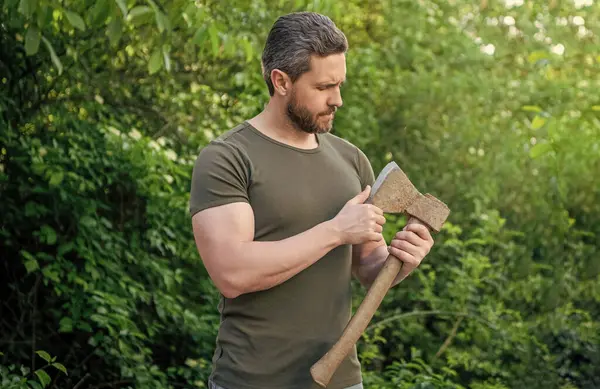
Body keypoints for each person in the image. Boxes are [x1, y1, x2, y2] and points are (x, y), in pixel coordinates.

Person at [189, 11, 434, 389]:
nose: (337, 100)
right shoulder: (228, 157)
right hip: (252, 380)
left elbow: (369, 266)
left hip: (340, 379)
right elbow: (232, 274)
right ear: (281, 81)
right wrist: (335, 231)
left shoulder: (351, 160)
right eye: (323, 88)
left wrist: (402, 260)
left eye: (340, 85)